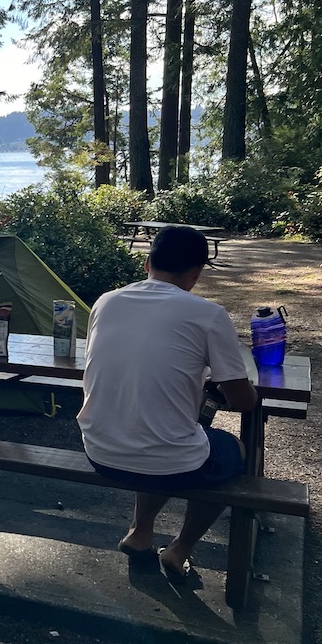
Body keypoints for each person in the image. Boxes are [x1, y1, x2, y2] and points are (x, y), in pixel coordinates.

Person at [78, 225, 257, 580]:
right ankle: (180, 548)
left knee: (170, 433)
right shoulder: (208, 314)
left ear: (147, 263)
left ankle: (140, 532)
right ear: (195, 274)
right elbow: (241, 400)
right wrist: (249, 391)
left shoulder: (106, 301)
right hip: (167, 459)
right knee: (233, 453)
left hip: (99, 450)